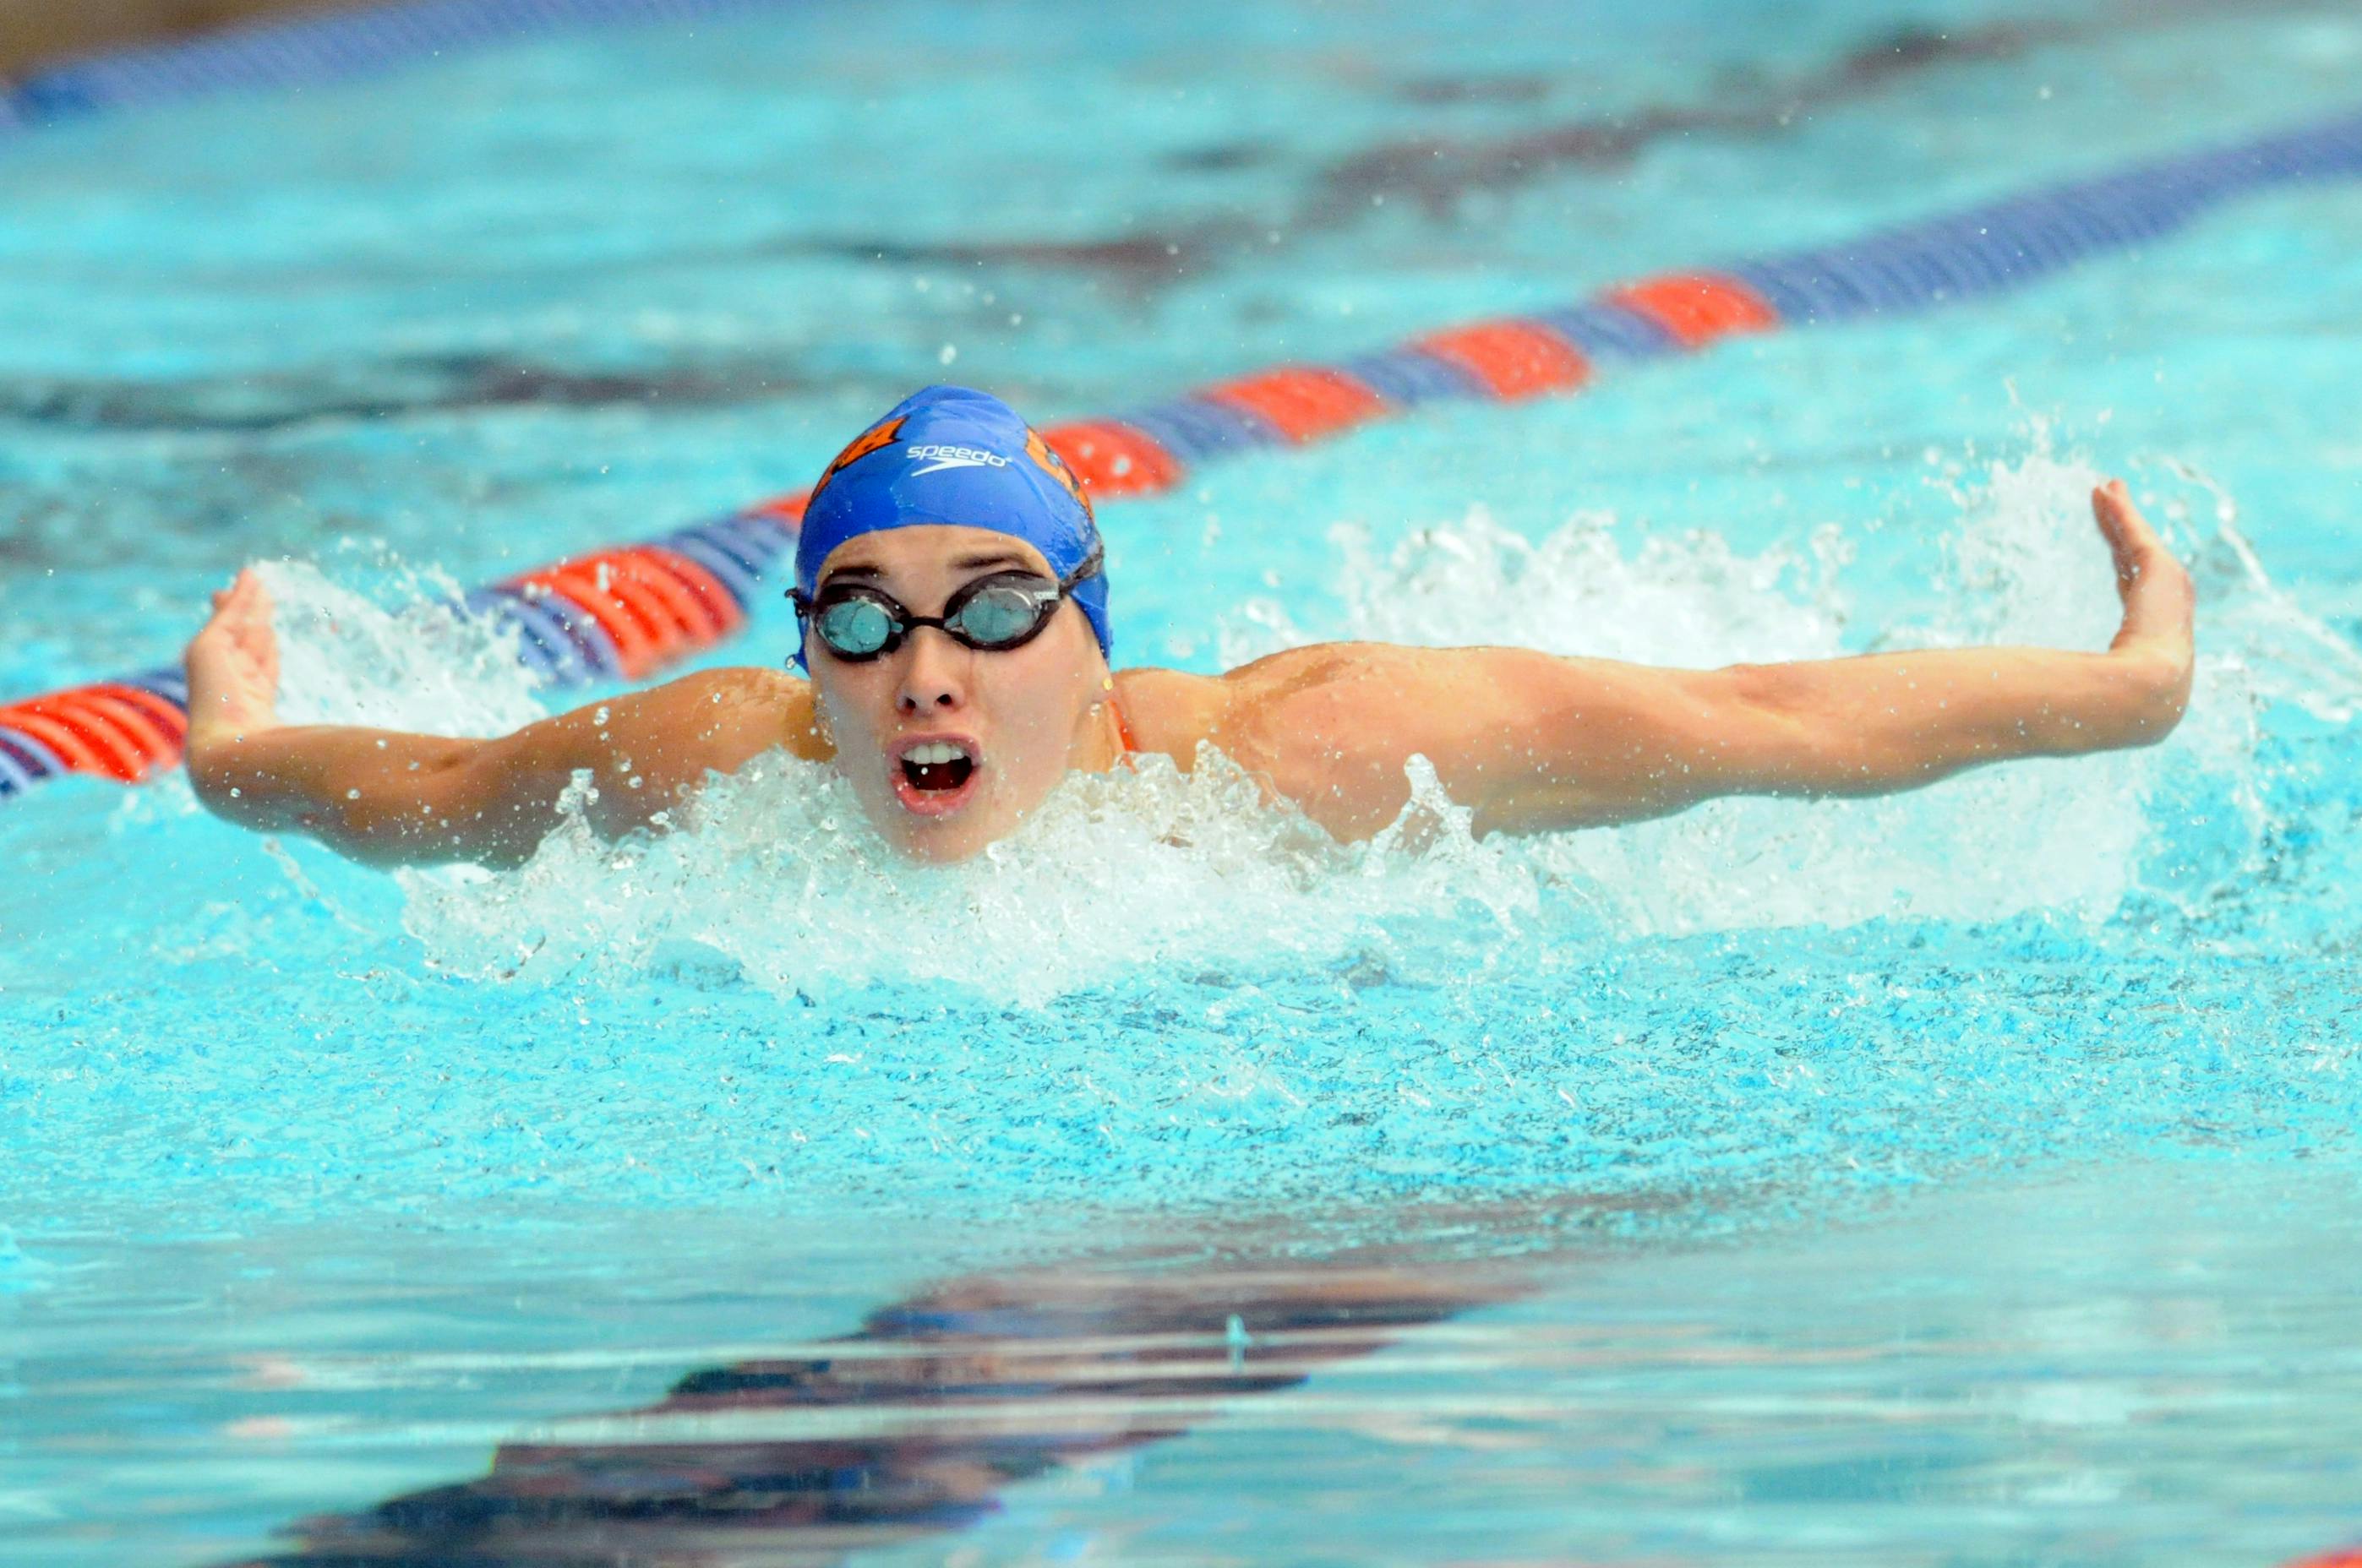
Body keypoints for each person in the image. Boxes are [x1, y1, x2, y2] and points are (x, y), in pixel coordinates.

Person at [183, 384, 2195, 868]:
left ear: (1083, 629)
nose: (923, 674)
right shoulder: (731, 765)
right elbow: (444, 788)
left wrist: (2130, 688)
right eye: (859, 627)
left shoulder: (1310, 756)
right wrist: (224, 753)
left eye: (986, 609)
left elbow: (1768, 712)